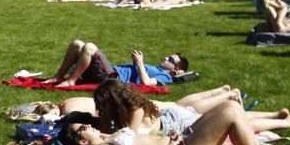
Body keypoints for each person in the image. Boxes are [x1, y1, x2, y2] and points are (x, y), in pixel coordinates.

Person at [62, 103, 269, 145]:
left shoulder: (106, 138)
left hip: (178, 141)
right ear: (83, 141)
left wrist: (169, 138)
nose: (90, 125)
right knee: (229, 113)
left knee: (232, 106)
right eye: (84, 127)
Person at [92, 79, 290, 136]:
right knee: (230, 116)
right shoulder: (129, 105)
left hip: (179, 121)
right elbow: (105, 128)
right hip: (174, 114)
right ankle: (276, 115)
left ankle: (286, 122)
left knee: (236, 124)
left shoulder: (135, 111)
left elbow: (128, 139)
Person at [44, 39, 189, 87]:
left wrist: (139, 63)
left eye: (171, 60)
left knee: (89, 47)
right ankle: (59, 76)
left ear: (177, 70)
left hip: (111, 78)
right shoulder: (156, 68)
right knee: (77, 44)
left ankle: (71, 81)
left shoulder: (165, 77)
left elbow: (146, 83)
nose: (166, 58)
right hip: (107, 73)